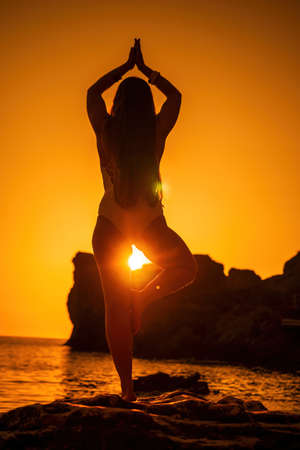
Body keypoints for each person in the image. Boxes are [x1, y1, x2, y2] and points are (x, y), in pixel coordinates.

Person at [87, 38, 198, 401]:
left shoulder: (106, 129)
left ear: (118, 105)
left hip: (110, 224)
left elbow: (92, 92)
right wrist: (148, 73)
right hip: (149, 224)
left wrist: (124, 68)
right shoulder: (154, 131)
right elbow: (176, 97)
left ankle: (127, 389)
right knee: (185, 268)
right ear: (145, 105)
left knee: (114, 308)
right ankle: (143, 299)